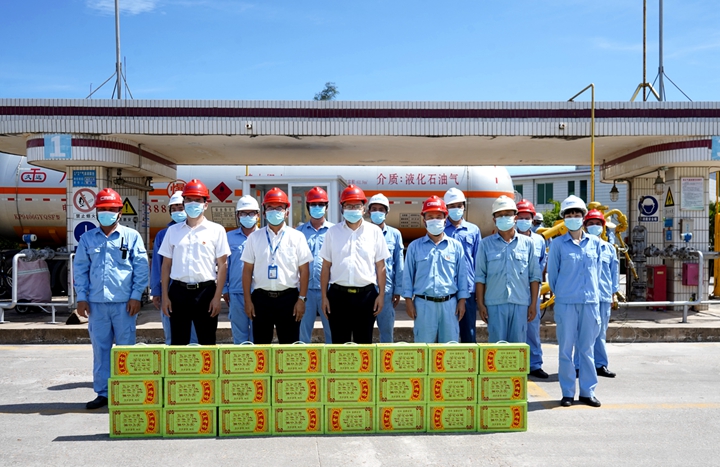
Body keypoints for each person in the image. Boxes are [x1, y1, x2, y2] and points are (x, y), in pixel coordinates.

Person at [74, 188, 149, 409]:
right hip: (96, 305)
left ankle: (126, 391)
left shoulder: (132, 236)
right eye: (103, 209)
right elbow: (80, 270)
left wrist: (136, 296)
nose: (107, 212)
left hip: (125, 304)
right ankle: (104, 393)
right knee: (101, 350)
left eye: (111, 209)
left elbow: (141, 268)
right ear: (97, 212)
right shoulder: (87, 238)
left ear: (119, 212)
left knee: (126, 349)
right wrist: (81, 298)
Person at [547, 195, 603, 408]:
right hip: (566, 304)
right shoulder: (557, 244)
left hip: (589, 303)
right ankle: (567, 392)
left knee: (587, 349)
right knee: (565, 350)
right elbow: (553, 276)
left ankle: (588, 392)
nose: (573, 217)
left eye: (576, 214)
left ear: (583, 217)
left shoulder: (595, 243)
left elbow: (597, 272)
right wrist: (564, 293)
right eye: (569, 214)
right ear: (564, 218)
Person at [159, 179, 230, 345]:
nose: (193, 204)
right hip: (178, 292)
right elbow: (166, 265)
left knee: (207, 343)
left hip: (205, 292)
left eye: (197, 200)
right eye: (189, 200)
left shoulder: (216, 230)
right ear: (183, 203)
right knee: (178, 343)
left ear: (206, 204)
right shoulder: (173, 231)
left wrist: (217, 297)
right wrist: (165, 297)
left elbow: (223, 266)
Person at [320, 184, 390, 344]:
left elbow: (381, 267)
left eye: (357, 206)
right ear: (342, 208)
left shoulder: (374, 232)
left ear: (364, 209)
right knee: (339, 345)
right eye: (348, 206)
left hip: (366, 297)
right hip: (338, 297)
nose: (353, 209)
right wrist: (324, 297)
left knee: (364, 345)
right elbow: (325, 267)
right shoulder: (332, 232)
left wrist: (381, 295)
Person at [241, 188, 312, 344]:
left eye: (279, 208)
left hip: (289, 299)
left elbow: (304, 271)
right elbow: (247, 271)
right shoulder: (254, 238)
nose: (274, 212)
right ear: (264, 212)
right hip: (261, 299)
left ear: (287, 212)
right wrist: (248, 301)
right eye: (270, 208)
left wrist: (301, 299)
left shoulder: (297, 237)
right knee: (261, 347)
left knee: (289, 347)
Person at [475, 196, 541, 344]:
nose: (504, 218)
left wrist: (532, 304)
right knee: (496, 349)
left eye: (508, 214)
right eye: (500, 215)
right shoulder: (485, 244)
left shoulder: (528, 244)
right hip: (494, 304)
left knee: (517, 348)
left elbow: (534, 277)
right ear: (494, 219)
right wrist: (481, 305)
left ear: (515, 217)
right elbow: (480, 277)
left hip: (520, 303)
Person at [403, 196, 468, 343]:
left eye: (438, 217)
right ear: (424, 220)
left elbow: (462, 276)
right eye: (430, 217)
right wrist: (408, 301)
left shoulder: (455, 246)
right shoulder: (414, 246)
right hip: (423, 305)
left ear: (445, 219)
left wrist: (462, 301)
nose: (435, 220)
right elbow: (407, 276)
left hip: (449, 305)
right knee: (423, 349)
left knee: (449, 349)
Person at [150, 191, 197, 345]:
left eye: (180, 207)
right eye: (174, 209)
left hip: (196, 291)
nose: (177, 211)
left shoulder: (200, 231)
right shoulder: (163, 235)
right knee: (172, 336)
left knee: (195, 338)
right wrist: (156, 291)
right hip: (170, 291)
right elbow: (157, 265)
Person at [577, 209, 619, 378]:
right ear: (585, 226)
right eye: (591, 223)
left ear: (603, 227)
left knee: (600, 332)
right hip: (586, 296)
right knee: (582, 332)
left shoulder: (609, 249)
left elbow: (614, 272)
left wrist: (614, 293)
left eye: (597, 224)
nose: (594, 226)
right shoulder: (581, 247)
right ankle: (579, 365)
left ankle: (600, 364)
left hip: (603, 295)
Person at [516, 199, 549, 379]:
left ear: (532, 219)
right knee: (514, 329)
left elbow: (542, 263)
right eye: (520, 217)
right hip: (513, 289)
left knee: (532, 327)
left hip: (532, 290)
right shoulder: (509, 238)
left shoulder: (539, 240)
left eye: (526, 218)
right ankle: (515, 364)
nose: (523, 221)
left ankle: (534, 364)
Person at [443, 187, 481, 343]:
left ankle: (470, 359)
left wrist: (479, 290)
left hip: (469, 289)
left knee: (468, 333)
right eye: (452, 206)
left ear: (464, 206)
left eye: (459, 205)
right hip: (447, 289)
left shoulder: (473, 230)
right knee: (446, 334)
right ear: (446, 208)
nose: (456, 209)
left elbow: (478, 262)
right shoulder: (440, 230)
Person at [296, 187, 334, 343]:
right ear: (308, 207)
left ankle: (332, 358)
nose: (317, 207)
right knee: (302, 333)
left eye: (321, 204)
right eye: (313, 204)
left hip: (329, 291)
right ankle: (303, 358)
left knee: (332, 332)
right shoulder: (298, 232)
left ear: (326, 207)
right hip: (305, 292)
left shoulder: (334, 231)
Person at [367, 193, 404, 343]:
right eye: (374, 209)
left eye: (381, 209)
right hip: (366, 291)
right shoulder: (362, 233)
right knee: (364, 334)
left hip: (387, 293)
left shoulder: (395, 234)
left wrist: (398, 289)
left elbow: (399, 263)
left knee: (387, 334)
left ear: (387, 212)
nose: (377, 212)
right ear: (369, 211)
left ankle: (386, 359)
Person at [222, 195, 259, 344]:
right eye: (244, 213)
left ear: (257, 215)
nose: (248, 216)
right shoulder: (229, 237)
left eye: (251, 213)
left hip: (258, 293)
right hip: (236, 293)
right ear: (237, 215)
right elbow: (225, 265)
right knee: (239, 337)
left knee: (258, 336)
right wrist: (225, 288)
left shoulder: (263, 236)